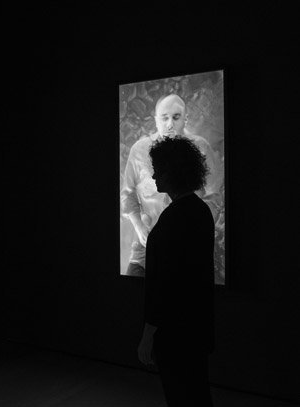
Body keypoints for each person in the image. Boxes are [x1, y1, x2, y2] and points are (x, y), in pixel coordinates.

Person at [137, 136, 215, 406]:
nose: (154, 175)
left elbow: (164, 284)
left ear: (173, 172)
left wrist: (148, 335)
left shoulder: (174, 218)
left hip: (175, 335)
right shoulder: (200, 211)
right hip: (195, 329)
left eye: (159, 169)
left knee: (181, 395)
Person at [120, 93, 222, 277]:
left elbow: (214, 196)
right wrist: (139, 225)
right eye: (164, 118)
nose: (169, 124)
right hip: (146, 248)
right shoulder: (139, 149)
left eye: (176, 117)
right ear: (155, 119)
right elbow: (127, 194)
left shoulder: (201, 147)